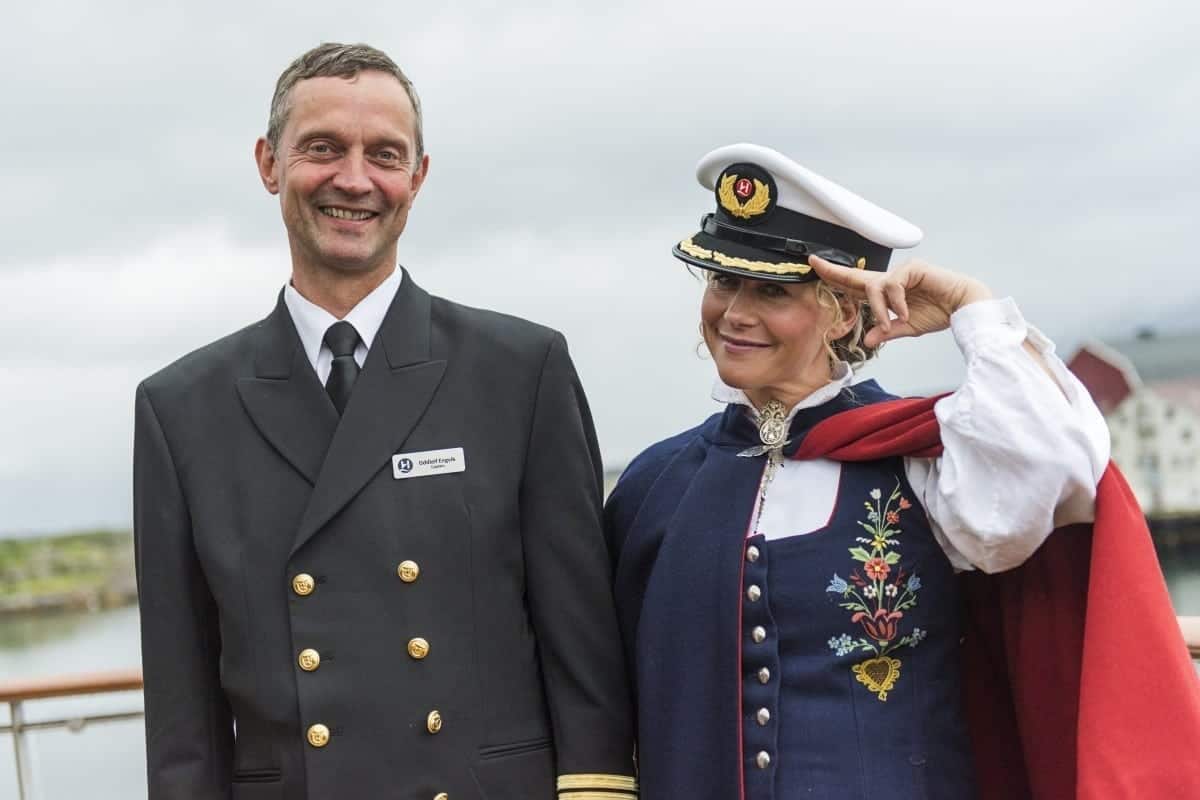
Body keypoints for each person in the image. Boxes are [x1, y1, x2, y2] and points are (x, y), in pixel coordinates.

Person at [604, 143, 1200, 799]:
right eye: (722, 282)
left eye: (773, 292)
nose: (735, 314)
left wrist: (972, 311)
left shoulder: (917, 460)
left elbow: (1064, 468)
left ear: (845, 311)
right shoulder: (655, 485)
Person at [133, 42, 637, 800]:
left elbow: (583, 656)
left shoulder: (520, 371)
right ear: (270, 164)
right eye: (323, 149)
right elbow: (183, 714)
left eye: (385, 154)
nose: (355, 180)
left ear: (419, 177)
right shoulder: (179, 409)